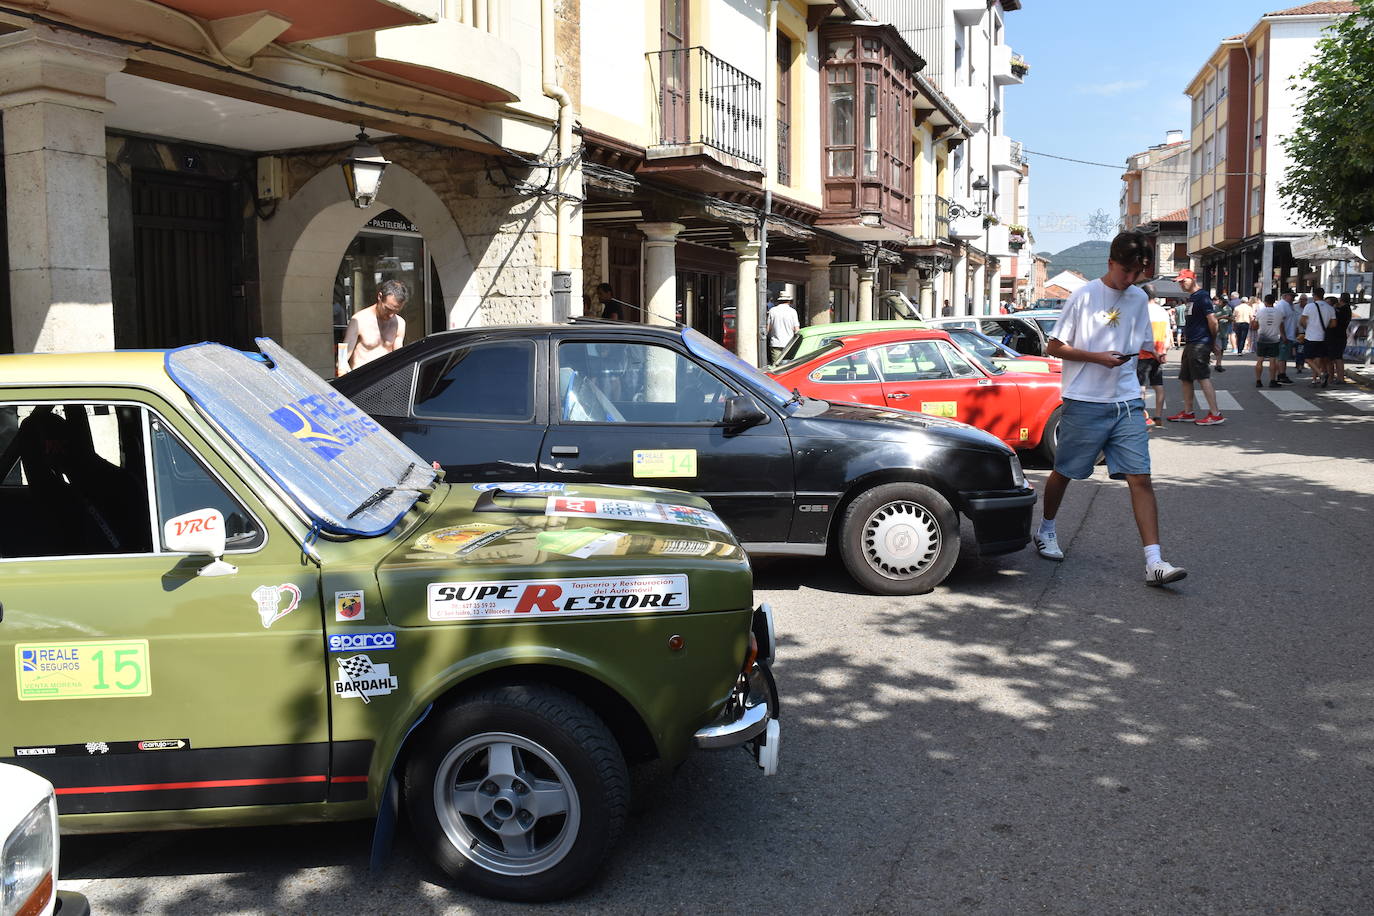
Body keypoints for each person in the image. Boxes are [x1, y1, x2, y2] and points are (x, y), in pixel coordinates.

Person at [1033, 231, 1186, 587]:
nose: (1130, 280)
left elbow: (1141, 343)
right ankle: (1046, 529)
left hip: (1127, 401)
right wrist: (1096, 358)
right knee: (1065, 471)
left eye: (1137, 273)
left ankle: (1154, 561)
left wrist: (1150, 355)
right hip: (1084, 399)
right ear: (1110, 263)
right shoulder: (1084, 297)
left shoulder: (1137, 299)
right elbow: (1054, 346)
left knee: (1141, 478)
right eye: (1125, 272)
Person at [1166, 269, 1225, 425]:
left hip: (1200, 343)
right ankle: (1188, 412)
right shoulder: (1192, 297)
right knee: (1185, 378)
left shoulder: (1202, 296)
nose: (1181, 283)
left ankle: (1215, 413)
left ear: (1193, 279)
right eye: (1179, 281)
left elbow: (1213, 321)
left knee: (1202, 377)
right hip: (1192, 343)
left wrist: (1212, 343)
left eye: (1184, 280)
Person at [337, 279, 407, 376]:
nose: (391, 315)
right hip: (362, 380)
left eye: (395, 311)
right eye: (388, 309)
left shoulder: (400, 323)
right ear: (380, 296)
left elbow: (398, 358)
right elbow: (342, 358)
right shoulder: (359, 320)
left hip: (386, 380)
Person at [1137, 296, 1170, 427]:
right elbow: (1167, 333)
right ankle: (1158, 416)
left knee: (1141, 386)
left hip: (1144, 353)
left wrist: (1154, 352)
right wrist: (1163, 352)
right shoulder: (1162, 311)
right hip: (1160, 351)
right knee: (1158, 385)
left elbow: (1142, 336)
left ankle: (1141, 416)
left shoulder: (1142, 311)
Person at [1298, 285, 1332, 387]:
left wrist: (1308, 327)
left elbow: (1302, 321)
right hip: (1323, 337)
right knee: (1317, 358)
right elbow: (1333, 324)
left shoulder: (1309, 306)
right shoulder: (1330, 308)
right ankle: (1314, 380)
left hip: (1311, 336)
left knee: (1307, 358)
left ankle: (1321, 374)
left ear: (1314, 295)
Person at [1252, 292, 1286, 388]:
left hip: (1262, 338)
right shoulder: (1279, 313)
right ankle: (1272, 380)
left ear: (1265, 302)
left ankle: (1258, 381)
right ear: (1274, 301)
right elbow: (1281, 325)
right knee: (1273, 360)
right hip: (1274, 339)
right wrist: (1283, 336)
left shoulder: (1260, 312)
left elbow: (1255, 326)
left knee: (1260, 360)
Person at [765, 291, 800, 365]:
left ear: (779, 301)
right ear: (789, 301)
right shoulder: (792, 312)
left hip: (775, 343)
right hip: (789, 343)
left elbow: (768, 328)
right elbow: (796, 329)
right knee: (787, 367)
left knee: (776, 366)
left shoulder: (772, 310)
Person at [1274, 289, 1298, 384]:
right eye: (1291, 296)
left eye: (1293, 296)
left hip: (1289, 334)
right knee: (1282, 357)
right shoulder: (1282, 305)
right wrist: (1283, 335)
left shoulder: (1289, 305)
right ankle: (1281, 375)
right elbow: (1280, 321)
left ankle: (1281, 374)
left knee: (1283, 356)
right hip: (1284, 335)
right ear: (1285, 296)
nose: (1293, 298)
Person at [1330, 292, 1354, 383]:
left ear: (1341, 299)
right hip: (1341, 335)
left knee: (1337, 358)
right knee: (1338, 357)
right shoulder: (1347, 309)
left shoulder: (1342, 309)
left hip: (1337, 336)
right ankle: (1339, 377)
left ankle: (1340, 378)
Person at [1212, 294, 1232, 371]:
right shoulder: (1215, 308)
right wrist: (1222, 317)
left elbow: (1232, 318)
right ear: (1219, 301)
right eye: (1223, 302)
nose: (1224, 303)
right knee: (1218, 348)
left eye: (1226, 302)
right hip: (1217, 331)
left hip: (1225, 330)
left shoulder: (1228, 308)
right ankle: (1218, 364)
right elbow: (1212, 319)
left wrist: (1230, 319)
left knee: (1223, 348)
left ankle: (1218, 363)